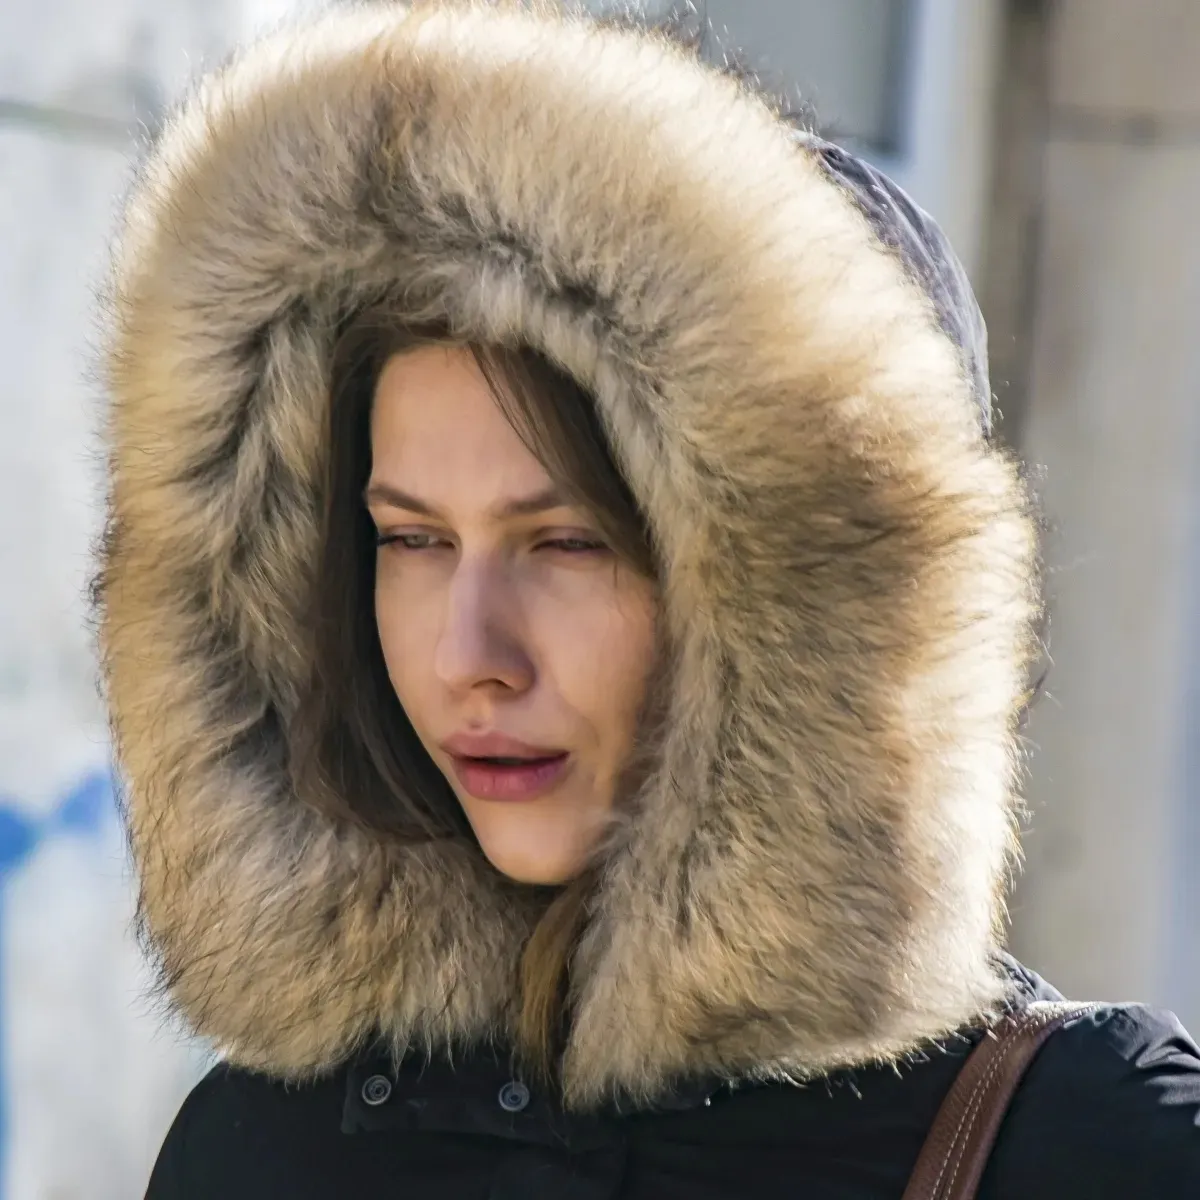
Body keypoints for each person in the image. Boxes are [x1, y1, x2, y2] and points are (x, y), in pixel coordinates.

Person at [94, 3, 1200, 1197]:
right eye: (411, 538)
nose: (471, 653)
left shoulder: (1094, 1146)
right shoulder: (264, 1150)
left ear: (812, 617)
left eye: (566, 543)